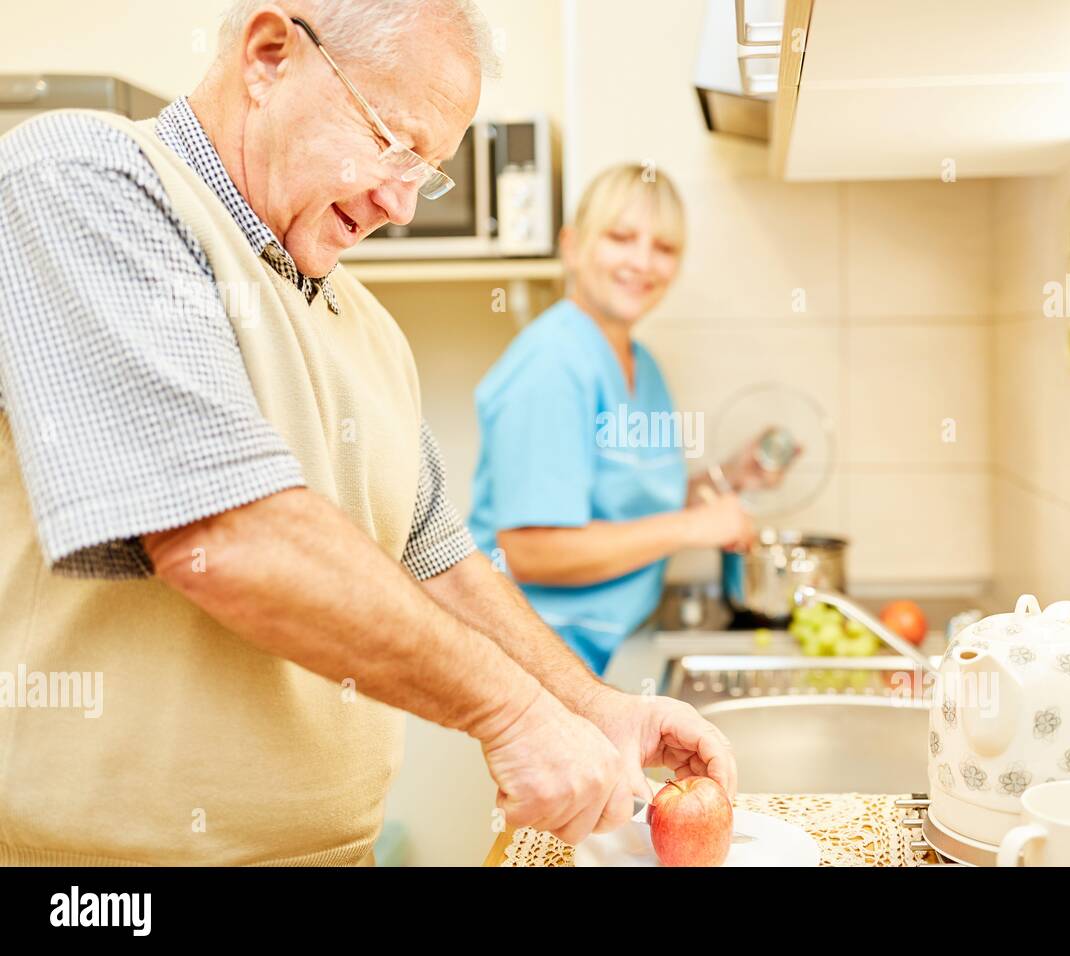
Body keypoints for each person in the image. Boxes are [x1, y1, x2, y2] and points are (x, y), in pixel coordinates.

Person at [0, 0, 734, 866]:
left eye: (428, 171)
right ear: (271, 55)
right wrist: (511, 712)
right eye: (394, 144)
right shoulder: (84, 180)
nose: (402, 203)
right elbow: (228, 535)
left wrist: (589, 705)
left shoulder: (370, 327)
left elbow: (435, 558)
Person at [470, 164, 790, 675]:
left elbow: (632, 503)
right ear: (572, 247)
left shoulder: (644, 366)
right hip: (540, 664)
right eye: (621, 238)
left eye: (664, 248)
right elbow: (531, 550)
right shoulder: (551, 364)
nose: (643, 262)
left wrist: (729, 477)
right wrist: (694, 526)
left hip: (614, 648)